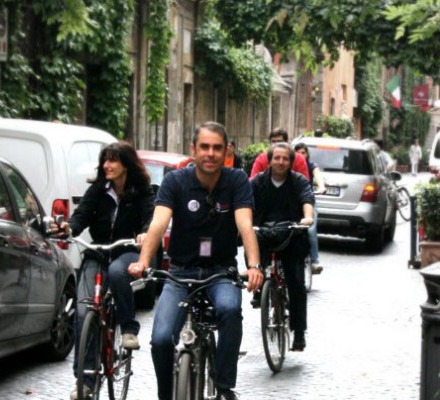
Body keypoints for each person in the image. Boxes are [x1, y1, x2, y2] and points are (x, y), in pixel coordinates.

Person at [129, 121, 263, 400]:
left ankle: (225, 387)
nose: (210, 153)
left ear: (226, 151)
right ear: (194, 150)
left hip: (220, 272)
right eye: (204, 147)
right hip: (180, 272)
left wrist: (253, 265)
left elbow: (245, 224)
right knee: (161, 339)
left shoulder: (236, 180)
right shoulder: (175, 182)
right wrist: (143, 262)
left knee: (228, 310)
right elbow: (158, 223)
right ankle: (166, 395)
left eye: (217, 147)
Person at [54, 142, 155, 400]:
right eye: (105, 161)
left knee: (118, 272)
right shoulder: (98, 190)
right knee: (83, 311)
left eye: (113, 161)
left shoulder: (142, 192)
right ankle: (84, 383)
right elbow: (81, 216)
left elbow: (150, 218)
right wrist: (69, 229)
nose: (107, 166)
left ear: (126, 165)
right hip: (97, 251)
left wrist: (144, 232)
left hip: (126, 251)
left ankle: (129, 328)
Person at [251, 142, 315, 351]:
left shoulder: (299, 181)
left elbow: (307, 200)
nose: (280, 162)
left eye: (285, 159)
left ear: (291, 162)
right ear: (269, 160)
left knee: (296, 282)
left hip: (291, 234)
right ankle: (259, 286)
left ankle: (298, 333)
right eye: (276, 158)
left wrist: (307, 218)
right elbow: (244, 203)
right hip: (263, 232)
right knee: (251, 250)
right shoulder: (257, 182)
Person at [294, 142, 325, 275]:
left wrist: (321, 186)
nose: (301, 155)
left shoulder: (311, 166)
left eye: (303, 152)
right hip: (292, 201)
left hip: (308, 200)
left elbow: (318, 176)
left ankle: (314, 261)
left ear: (307, 154)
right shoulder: (290, 164)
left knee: (311, 229)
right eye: (298, 152)